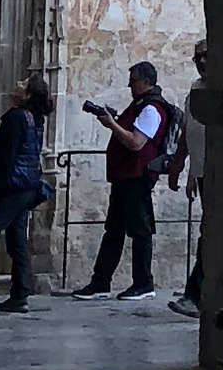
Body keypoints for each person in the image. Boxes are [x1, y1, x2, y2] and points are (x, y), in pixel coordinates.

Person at [73, 61, 173, 298]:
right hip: (124, 177)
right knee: (114, 230)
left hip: (137, 177)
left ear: (146, 82)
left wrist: (112, 125)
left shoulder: (151, 109)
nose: (130, 85)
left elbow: (136, 142)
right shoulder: (140, 106)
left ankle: (143, 283)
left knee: (140, 230)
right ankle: (101, 281)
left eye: (134, 81)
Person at [0, 74, 52, 313]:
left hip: (11, 187)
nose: (17, 83)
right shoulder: (33, 118)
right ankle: (19, 294)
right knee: (18, 240)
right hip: (27, 186)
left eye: (24, 83)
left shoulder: (17, 118)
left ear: (26, 94)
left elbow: (5, 158)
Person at [167, 42, 211, 318]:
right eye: (197, 58)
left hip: (215, 173)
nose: (202, 62)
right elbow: (189, 131)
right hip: (202, 173)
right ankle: (196, 294)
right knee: (208, 234)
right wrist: (181, 165)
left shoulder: (221, 88)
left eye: (207, 56)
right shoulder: (196, 90)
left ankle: (195, 295)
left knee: (209, 235)